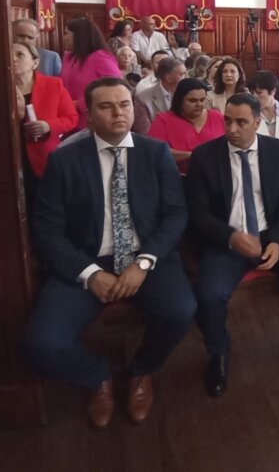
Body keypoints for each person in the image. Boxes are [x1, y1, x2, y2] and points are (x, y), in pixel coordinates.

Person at [26, 77, 195, 429]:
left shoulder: (155, 153)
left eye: (124, 104)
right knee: (41, 344)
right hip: (85, 260)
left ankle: (141, 370)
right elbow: (46, 229)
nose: (119, 113)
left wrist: (145, 262)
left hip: (145, 256)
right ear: (88, 116)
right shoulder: (64, 161)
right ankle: (96, 376)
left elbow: (176, 214)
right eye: (106, 106)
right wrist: (89, 273)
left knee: (181, 311)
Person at [186, 94, 279, 395]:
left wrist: (276, 240)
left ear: (258, 123)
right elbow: (197, 214)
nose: (232, 129)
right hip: (226, 239)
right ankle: (219, 353)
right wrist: (231, 237)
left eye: (241, 122)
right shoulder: (205, 156)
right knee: (209, 296)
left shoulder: (276, 151)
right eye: (227, 120)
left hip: (268, 232)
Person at [12, 41, 78, 216]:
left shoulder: (53, 85)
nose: (13, 59)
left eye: (20, 54)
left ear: (35, 62)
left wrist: (48, 125)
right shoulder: (1, 87)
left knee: (46, 210)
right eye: (10, 54)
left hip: (44, 156)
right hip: (10, 158)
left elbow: (71, 118)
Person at [147, 78, 225, 172]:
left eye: (202, 100)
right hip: (178, 178)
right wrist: (192, 155)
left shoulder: (216, 116)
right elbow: (154, 151)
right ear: (180, 100)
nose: (199, 104)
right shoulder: (164, 120)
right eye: (193, 100)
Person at [60, 17, 121, 130]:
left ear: (79, 36)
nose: (63, 38)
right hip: (68, 117)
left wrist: (79, 104)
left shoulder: (100, 57)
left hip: (91, 119)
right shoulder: (68, 57)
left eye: (66, 33)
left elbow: (115, 86)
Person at [137, 57, 187, 122]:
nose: (186, 77)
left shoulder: (189, 94)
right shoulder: (142, 98)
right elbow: (145, 131)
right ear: (169, 79)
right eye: (182, 74)